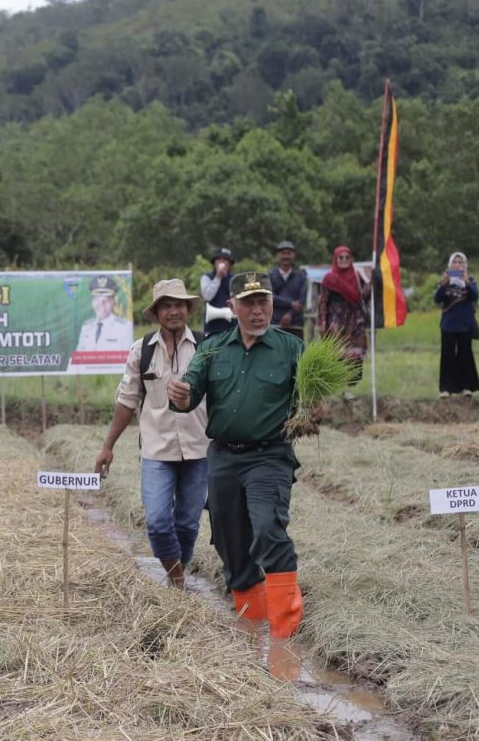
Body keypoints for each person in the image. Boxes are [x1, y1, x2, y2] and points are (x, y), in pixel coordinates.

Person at [167, 272, 307, 666]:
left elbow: (312, 397)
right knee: (228, 539)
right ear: (232, 307)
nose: (258, 310)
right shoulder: (212, 349)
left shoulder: (292, 349)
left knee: (267, 528)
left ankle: (284, 635)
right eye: (248, 303)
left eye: (263, 301)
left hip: (269, 455)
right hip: (224, 457)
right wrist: (180, 396)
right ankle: (251, 619)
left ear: (273, 303)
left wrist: (314, 407)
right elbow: (189, 394)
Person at [95, 279, 209, 589]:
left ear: (188, 309)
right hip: (157, 449)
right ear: (156, 312)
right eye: (167, 306)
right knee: (158, 522)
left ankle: (176, 581)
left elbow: (222, 396)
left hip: (199, 448)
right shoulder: (141, 350)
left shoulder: (206, 347)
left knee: (187, 523)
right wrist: (108, 446)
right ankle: (178, 578)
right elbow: (126, 400)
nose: (174, 311)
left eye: (179, 305)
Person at [317, 246, 371, 394]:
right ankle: (339, 390)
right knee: (338, 355)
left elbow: (364, 298)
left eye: (347, 257)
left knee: (354, 356)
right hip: (337, 322)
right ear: (336, 259)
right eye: (341, 257)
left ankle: (351, 389)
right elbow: (323, 302)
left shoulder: (357, 276)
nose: (344, 260)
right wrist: (322, 323)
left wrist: (368, 285)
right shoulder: (329, 278)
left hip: (355, 322)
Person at [435, 251, 479, 399]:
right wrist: (444, 284)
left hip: (465, 324)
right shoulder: (445, 280)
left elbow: (475, 296)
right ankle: (446, 389)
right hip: (448, 324)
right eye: (455, 262)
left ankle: (466, 387)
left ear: (465, 265)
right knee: (447, 355)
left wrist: (466, 282)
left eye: (461, 263)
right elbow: (437, 298)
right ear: (451, 264)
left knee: (465, 354)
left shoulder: (470, 280)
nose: (458, 265)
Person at [74, 275, 134, 352]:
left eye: (106, 299)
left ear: (113, 302)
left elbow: (128, 359)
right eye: (97, 299)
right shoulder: (86, 328)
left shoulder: (125, 328)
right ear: (92, 302)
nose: (101, 304)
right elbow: (78, 359)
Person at [269, 241, 307, 339]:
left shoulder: (301, 276)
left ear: (293, 255)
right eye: (283, 253)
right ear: (278, 255)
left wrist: (289, 314)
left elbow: (301, 301)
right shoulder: (270, 276)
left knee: (296, 353)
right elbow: (270, 297)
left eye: (289, 253)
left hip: (295, 324)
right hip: (275, 323)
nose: (286, 256)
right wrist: (291, 303)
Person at [201, 247, 236, 335]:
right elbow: (207, 296)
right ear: (214, 262)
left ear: (230, 263)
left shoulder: (235, 279)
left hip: (232, 326)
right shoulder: (206, 277)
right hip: (212, 326)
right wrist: (218, 277)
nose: (222, 262)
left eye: (225, 259)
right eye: (219, 259)